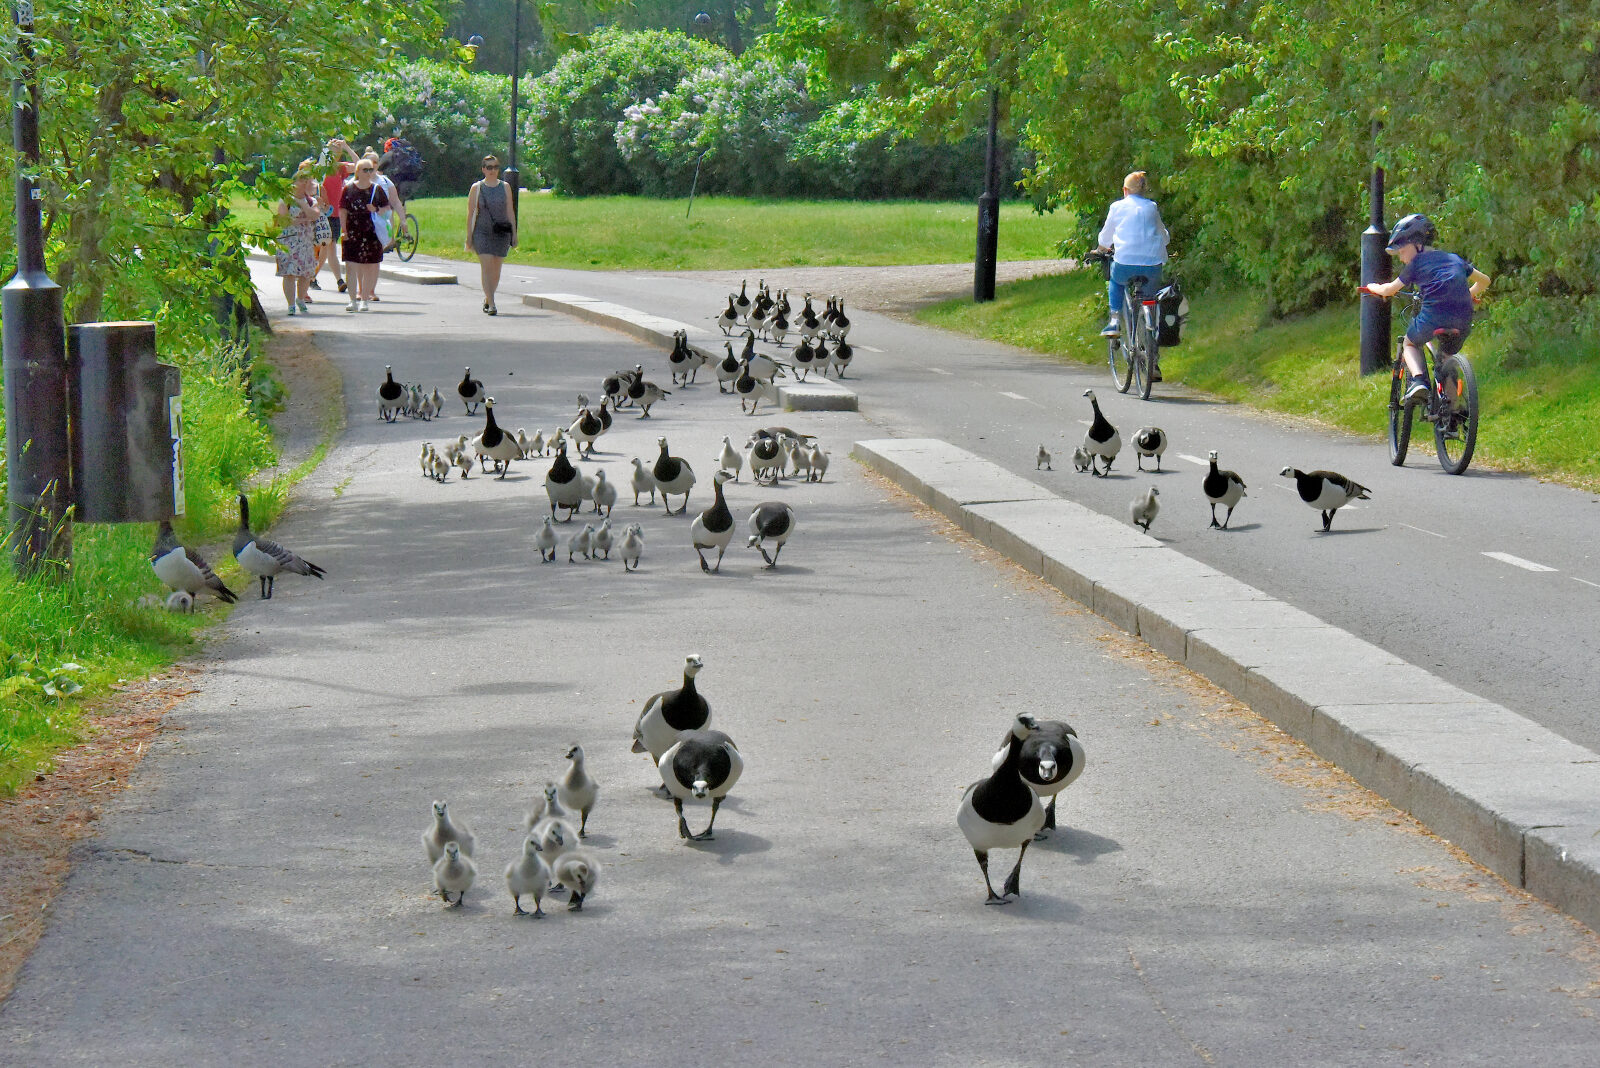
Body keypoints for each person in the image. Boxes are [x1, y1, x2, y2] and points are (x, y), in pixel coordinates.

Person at [1361, 214, 1491, 404]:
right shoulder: (1454, 259)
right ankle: (1452, 412)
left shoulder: (1416, 264)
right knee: (1446, 359)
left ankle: (1419, 381)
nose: (1402, 258)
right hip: (1463, 318)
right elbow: (1485, 281)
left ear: (1417, 245)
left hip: (1433, 317)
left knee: (1410, 343)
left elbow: (1389, 290)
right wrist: (1467, 295)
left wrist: (1372, 287)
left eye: (1402, 251)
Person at [1096, 170, 1170, 378]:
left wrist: (1101, 250)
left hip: (1125, 263)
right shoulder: (1152, 207)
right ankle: (1153, 361)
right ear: (1145, 190)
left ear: (1125, 190)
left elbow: (1106, 237)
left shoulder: (1117, 207)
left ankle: (1114, 321)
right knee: (1150, 303)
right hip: (1152, 265)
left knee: (1116, 281)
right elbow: (1163, 236)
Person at [465, 155, 516, 315]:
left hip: (501, 232)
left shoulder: (505, 187)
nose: (492, 170)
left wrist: (514, 233)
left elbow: (510, 211)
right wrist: (469, 236)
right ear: (483, 169)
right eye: (489, 167)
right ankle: (492, 303)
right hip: (482, 232)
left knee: (496, 269)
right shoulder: (477, 188)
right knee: (486, 267)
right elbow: (471, 213)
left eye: (495, 167)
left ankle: (488, 297)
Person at [339, 158, 390, 311]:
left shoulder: (377, 189)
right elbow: (342, 210)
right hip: (353, 230)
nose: (368, 173)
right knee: (351, 266)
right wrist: (344, 230)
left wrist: (375, 209)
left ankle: (364, 299)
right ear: (357, 172)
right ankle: (352, 300)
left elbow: (386, 208)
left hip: (371, 232)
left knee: (369, 266)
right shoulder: (348, 189)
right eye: (365, 170)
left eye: (370, 170)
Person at [274, 165, 322, 316]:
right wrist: (302, 219)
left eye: (307, 181)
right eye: (302, 181)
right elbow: (284, 219)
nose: (305, 184)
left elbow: (314, 215)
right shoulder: (286, 199)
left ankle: (301, 299)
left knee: (305, 274)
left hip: (305, 242)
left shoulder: (310, 200)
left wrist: (302, 205)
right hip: (288, 241)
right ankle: (290, 304)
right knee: (289, 272)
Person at [362, 149, 408, 301]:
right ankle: (362, 290)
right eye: (369, 162)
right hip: (361, 224)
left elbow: (395, 201)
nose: (373, 165)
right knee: (362, 259)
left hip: (380, 226)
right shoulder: (355, 182)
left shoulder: (385, 182)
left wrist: (403, 220)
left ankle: (371, 290)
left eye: (375, 162)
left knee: (374, 259)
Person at [318, 137, 358, 292]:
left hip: (335, 213)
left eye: (338, 151)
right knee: (330, 246)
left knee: (326, 249)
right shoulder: (321, 168)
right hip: (323, 213)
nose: (335, 153)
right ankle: (339, 280)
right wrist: (328, 147)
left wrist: (347, 147)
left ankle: (312, 277)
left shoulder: (340, 168)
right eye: (332, 150)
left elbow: (358, 165)